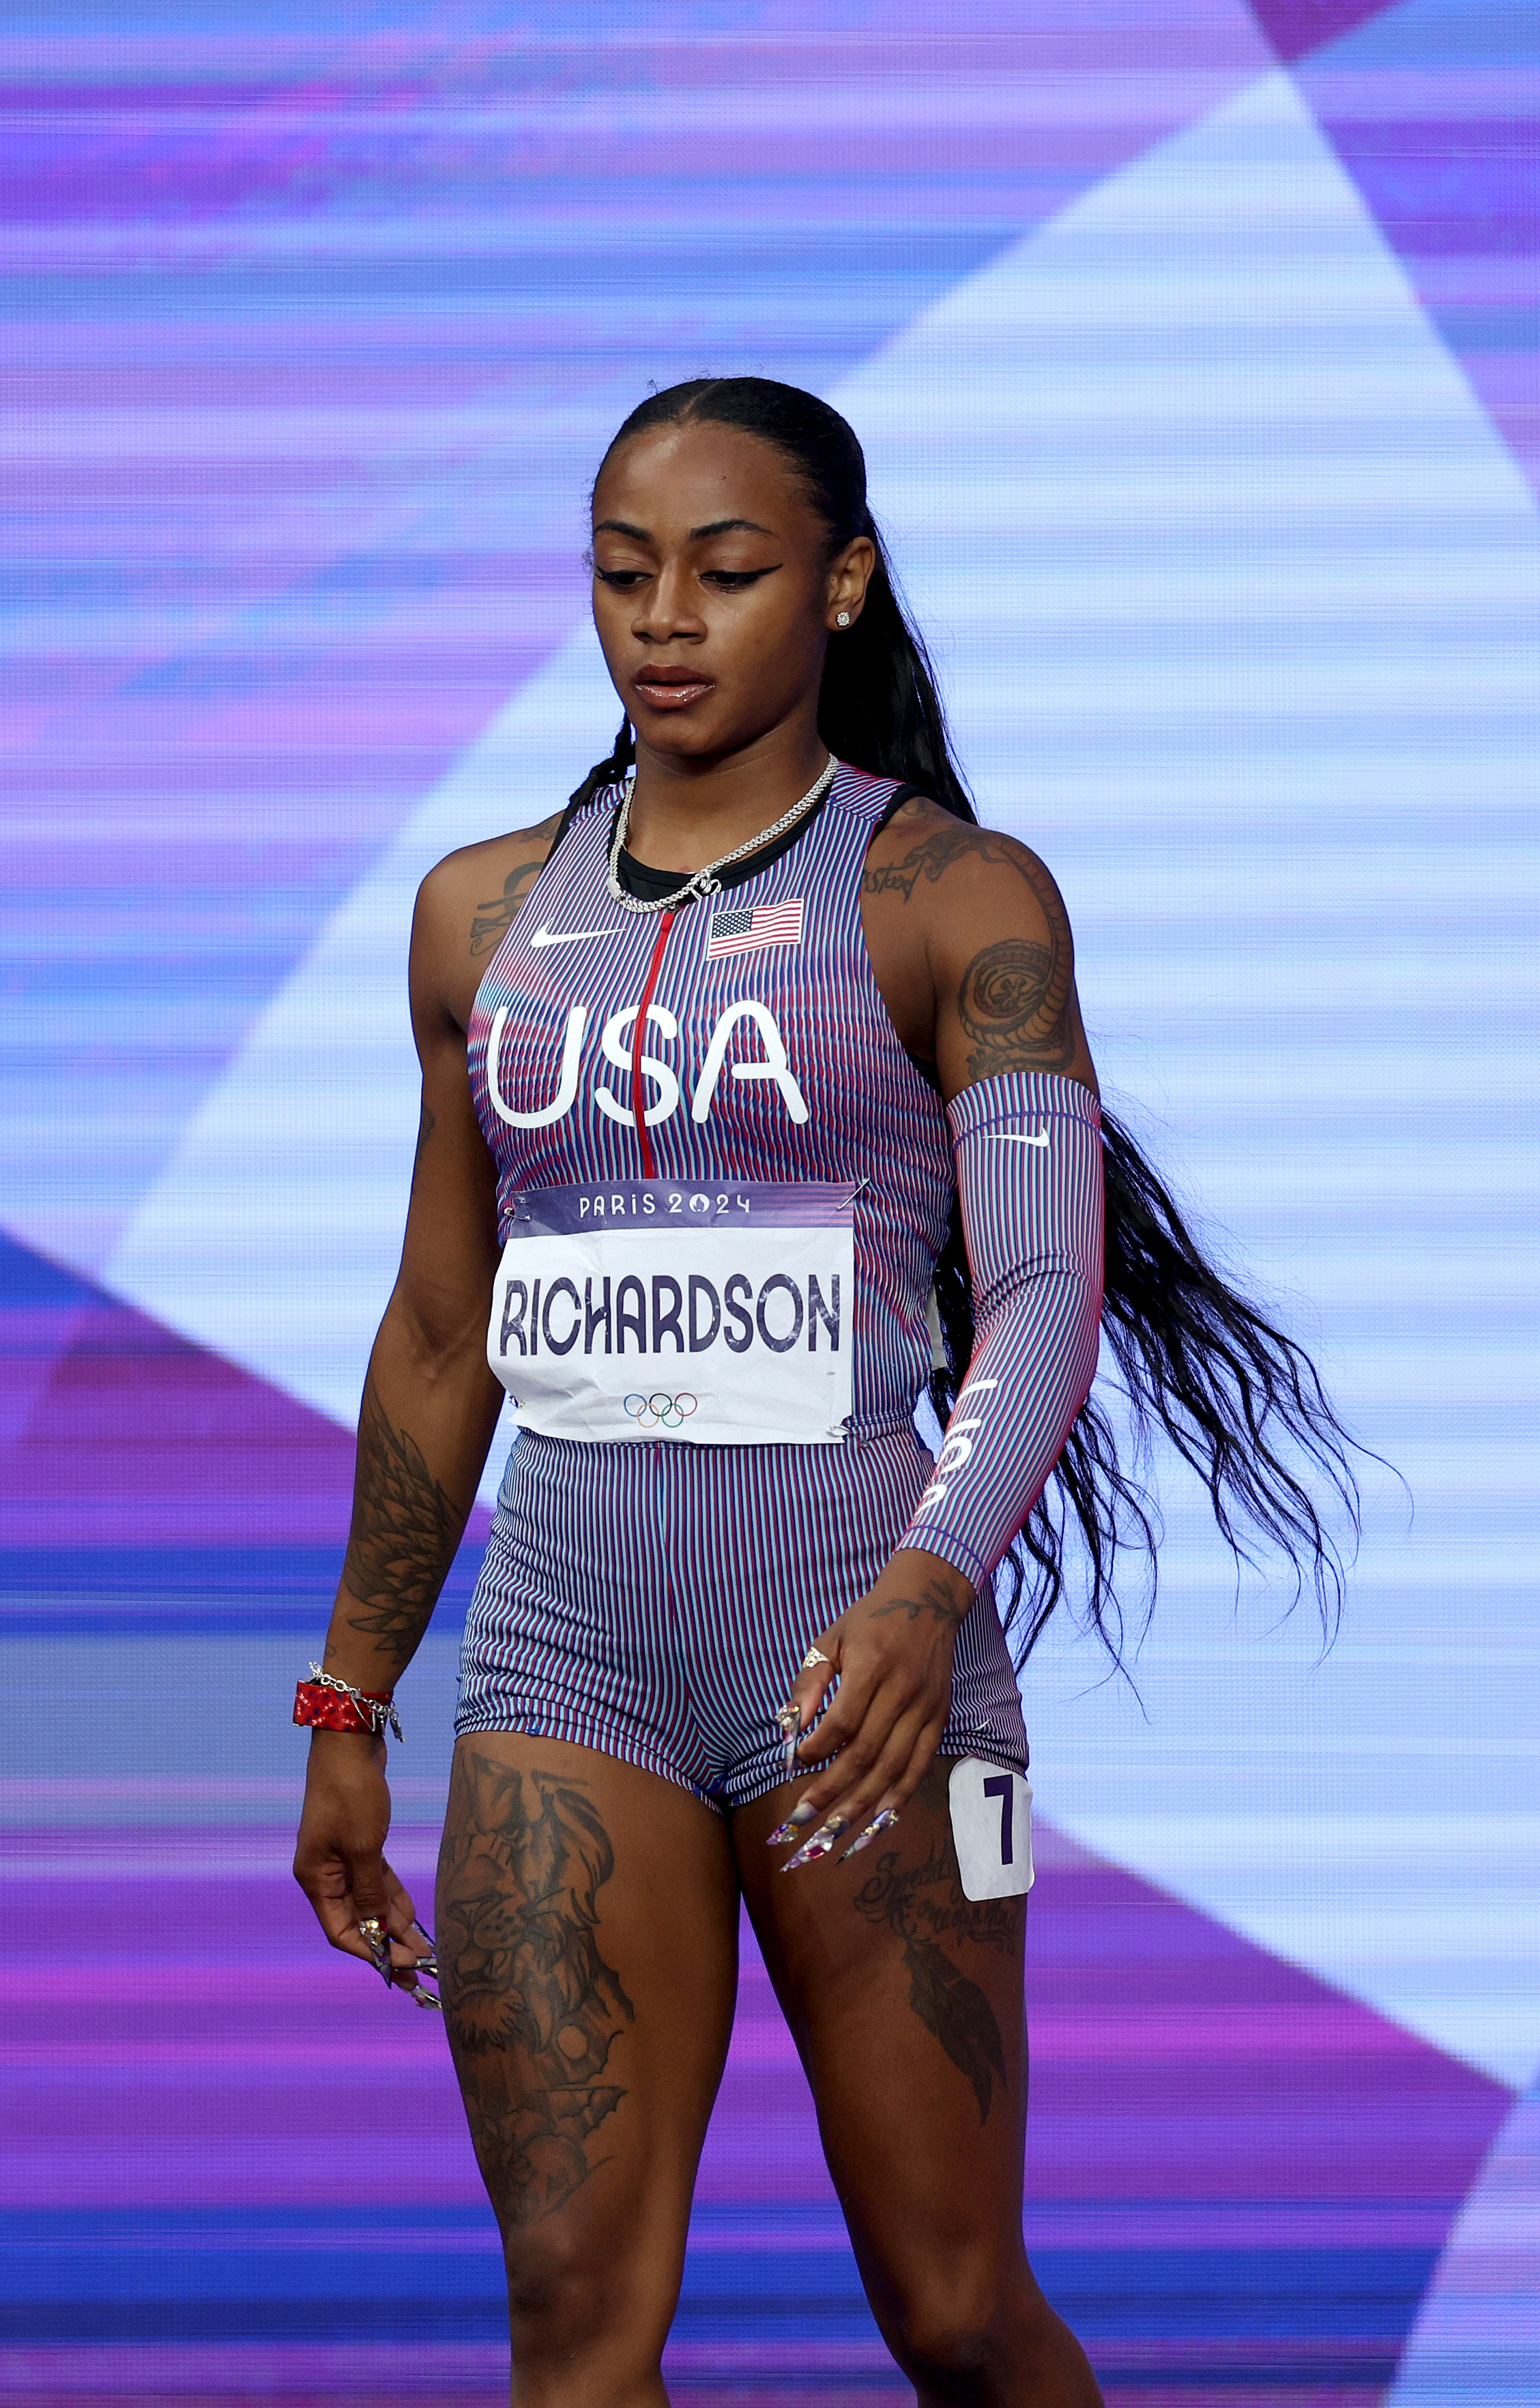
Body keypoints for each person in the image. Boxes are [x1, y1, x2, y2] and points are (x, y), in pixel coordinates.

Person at [293, 377, 1356, 2407]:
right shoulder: (479, 918)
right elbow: (442, 1333)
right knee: (576, 2332)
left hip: (863, 1676)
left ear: (844, 583)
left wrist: (926, 1588)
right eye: (621, 575)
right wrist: (350, 1695)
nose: (663, 618)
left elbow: (1043, 1287)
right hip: (563, 1660)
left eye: (726, 568)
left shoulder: (956, 898)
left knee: (953, 2308)